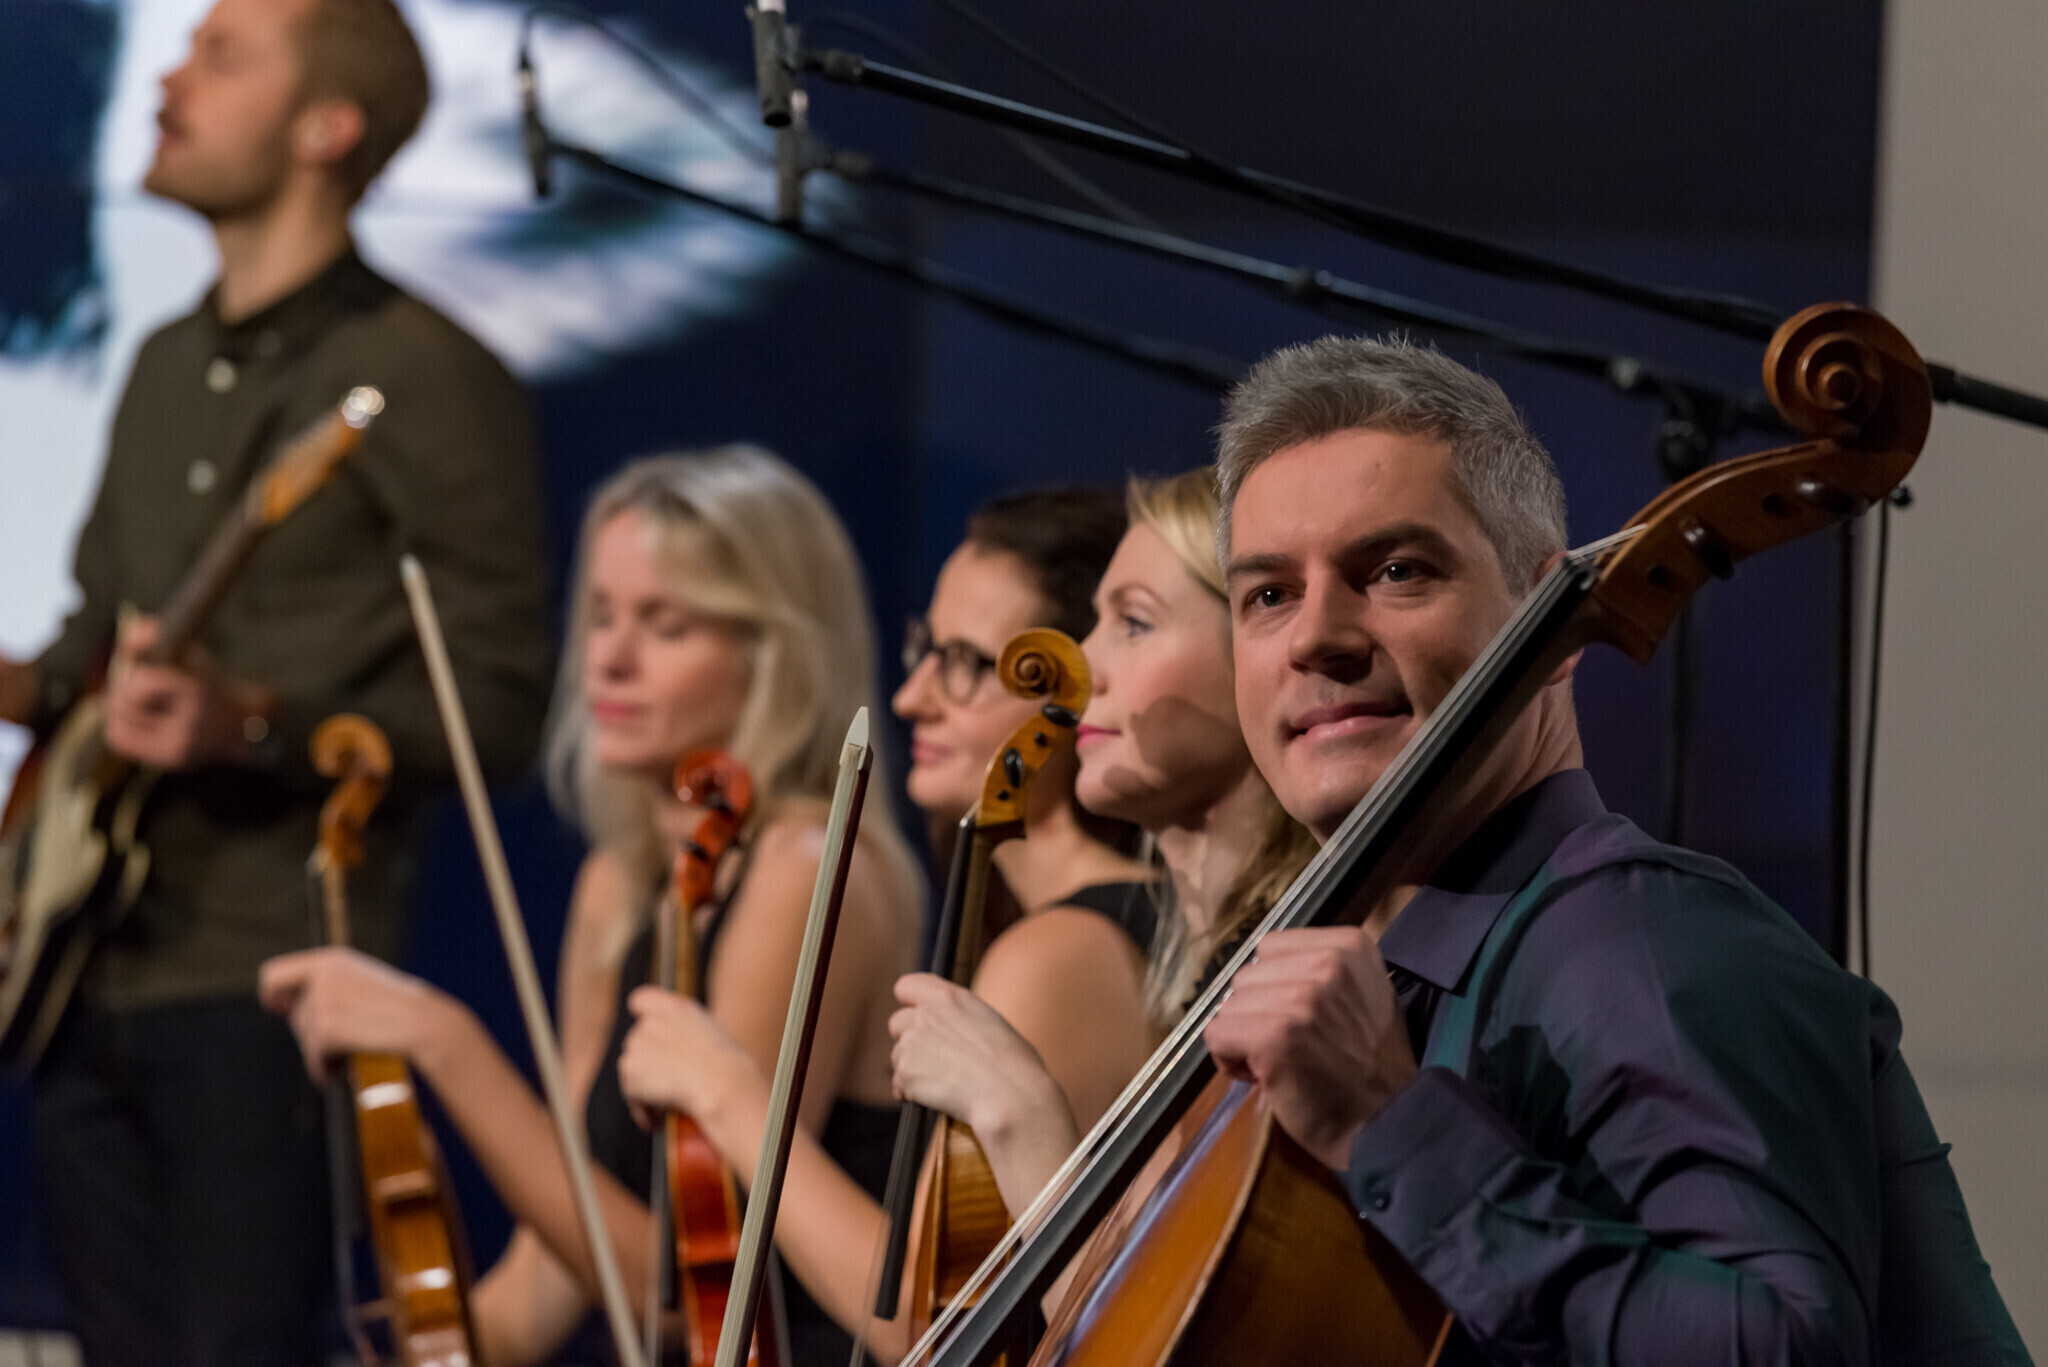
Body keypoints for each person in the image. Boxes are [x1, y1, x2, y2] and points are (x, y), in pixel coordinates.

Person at [1197, 335, 2029, 1364]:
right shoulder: (1406, 984)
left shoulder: (1636, 939)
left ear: (1547, 625)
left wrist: (1386, 1127)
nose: (1314, 635)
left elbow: (1781, 1346)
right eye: (1267, 594)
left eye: (1397, 570)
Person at [0, 1, 552, 1362]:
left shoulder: (424, 374)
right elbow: (89, 656)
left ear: (327, 128)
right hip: (85, 967)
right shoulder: (161, 363)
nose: (167, 78)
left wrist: (249, 725)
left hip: (271, 980)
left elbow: (496, 709)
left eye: (221, 53)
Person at [259, 448, 924, 1367]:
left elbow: (677, 1290)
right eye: (602, 615)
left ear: (771, 656)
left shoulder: (806, 870)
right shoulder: (618, 885)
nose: (608, 659)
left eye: (666, 625)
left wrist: (442, 1039)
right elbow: (558, 1271)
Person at [614, 487, 1159, 1361]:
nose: (910, 698)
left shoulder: (1061, 951)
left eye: (967, 664)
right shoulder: (1038, 927)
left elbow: (928, 1319)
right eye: (924, 650)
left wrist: (727, 1090)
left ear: (1068, 688)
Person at [885, 469, 1317, 1215]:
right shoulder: (1201, 970)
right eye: (1094, 623)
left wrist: (1021, 1113)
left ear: (1258, 652)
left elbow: (1153, 1286)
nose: (1081, 671)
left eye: (1134, 623)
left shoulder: (1290, 985)